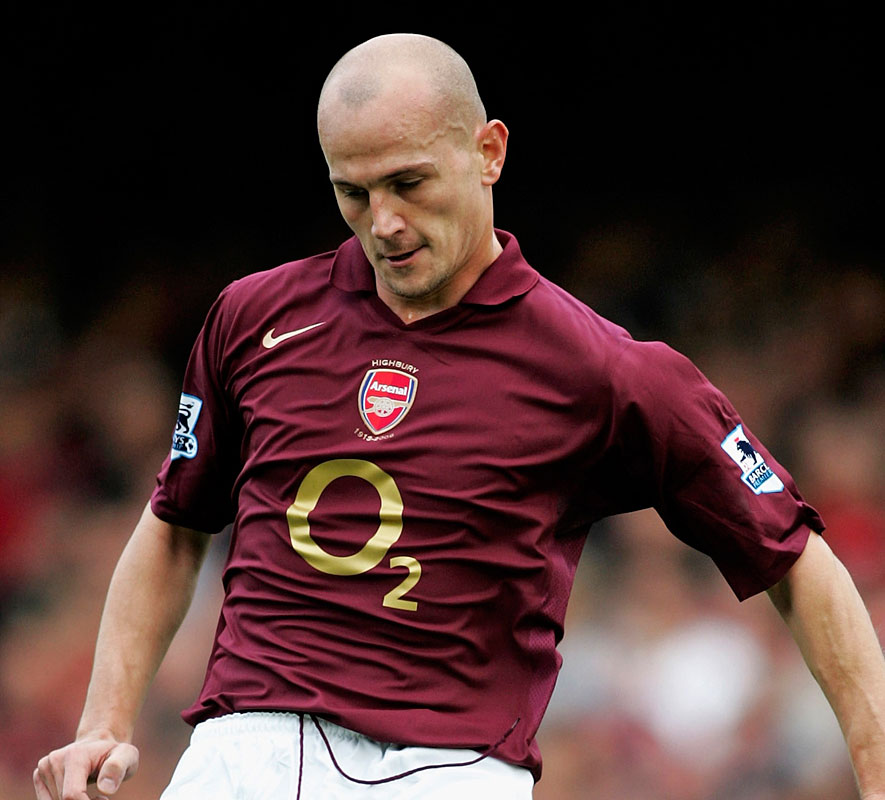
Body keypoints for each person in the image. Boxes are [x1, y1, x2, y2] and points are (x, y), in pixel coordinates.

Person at [34, 32, 885, 800]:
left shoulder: (603, 368)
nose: (384, 223)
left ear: (488, 152)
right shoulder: (253, 318)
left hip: (449, 770)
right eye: (353, 192)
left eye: (408, 183)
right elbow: (175, 523)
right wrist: (103, 723)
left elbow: (798, 563)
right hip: (246, 751)